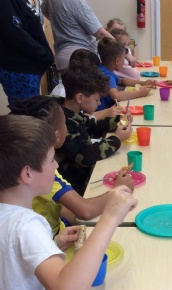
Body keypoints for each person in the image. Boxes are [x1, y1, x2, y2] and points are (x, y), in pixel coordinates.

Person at [0, 114, 136, 290]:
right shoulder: (27, 225)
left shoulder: (10, 217)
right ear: (27, 173)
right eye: (51, 160)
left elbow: (13, 262)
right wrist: (110, 217)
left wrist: (52, 245)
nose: (55, 166)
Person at [9, 95, 134, 236]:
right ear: (57, 135)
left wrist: (78, 220)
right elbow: (86, 210)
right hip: (52, 236)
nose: (56, 164)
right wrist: (119, 189)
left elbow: (58, 203)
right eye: (65, 124)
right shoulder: (41, 171)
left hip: (59, 231)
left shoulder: (26, 164)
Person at [56, 65, 132, 194]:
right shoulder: (64, 122)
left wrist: (119, 120)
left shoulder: (72, 112)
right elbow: (87, 156)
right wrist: (117, 139)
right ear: (80, 98)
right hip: (78, 186)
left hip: (86, 176)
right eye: (97, 99)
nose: (99, 103)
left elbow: (92, 126)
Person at [0, 0, 54, 107]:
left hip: (29, 69)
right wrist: (45, 55)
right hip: (20, 70)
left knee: (31, 112)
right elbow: (15, 34)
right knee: (27, 113)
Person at [50, 48, 123, 120]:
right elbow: (82, 119)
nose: (97, 73)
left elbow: (83, 118)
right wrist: (106, 113)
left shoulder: (80, 90)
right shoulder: (64, 93)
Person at [41, 0, 114, 71]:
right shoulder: (77, 2)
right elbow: (100, 33)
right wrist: (120, 50)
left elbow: (44, 9)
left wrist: (61, 23)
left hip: (62, 55)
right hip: (80, 57)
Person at [97, 37, 157, 111]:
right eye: (124, 58)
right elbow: (117, 96)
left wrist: (144, 83)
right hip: (105, 112)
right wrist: (140, 93)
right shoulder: (106, 75)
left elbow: (121, 81)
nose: (124, 61)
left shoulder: (104, 68)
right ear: (117, 61)